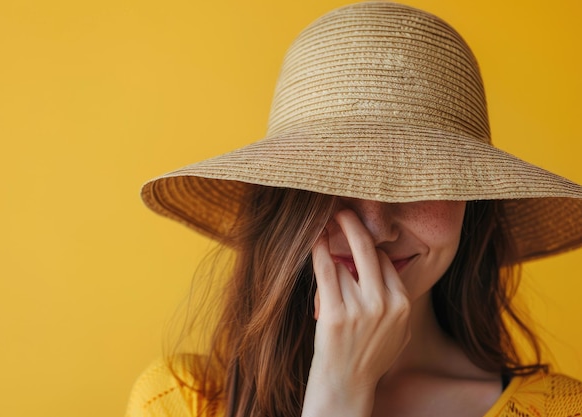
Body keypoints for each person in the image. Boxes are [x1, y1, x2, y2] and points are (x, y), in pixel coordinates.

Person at [126, 2, 582, 416]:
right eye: (333, 181)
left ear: (473, 201)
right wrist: (339, 390)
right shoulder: (181, 400)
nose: (376, 228)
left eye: (420, 177)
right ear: (285, 201)